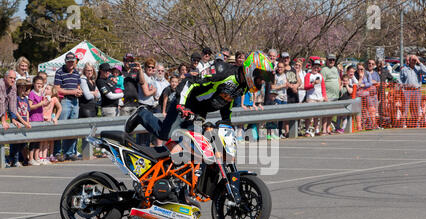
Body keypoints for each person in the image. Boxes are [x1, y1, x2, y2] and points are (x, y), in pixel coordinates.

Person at [124, 51, 274, 151]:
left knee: (194, 147)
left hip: (200, 111)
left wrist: (226, 120)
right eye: (260, 76)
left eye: (264, 78)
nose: (261, 81)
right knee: (165, 136)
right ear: (250, 69)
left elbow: (227, 99)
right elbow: (191, 82)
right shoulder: (222, 70)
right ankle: (142, 114)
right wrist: (181, 105)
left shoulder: (244, 86)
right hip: (185, 101)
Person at [54, 52, 82, 162]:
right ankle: (58, 152)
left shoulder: (76, 72)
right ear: (65, 61)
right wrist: (72, 91)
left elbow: (78, 87)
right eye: (69, 61)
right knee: (61, 127)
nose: (70, 63)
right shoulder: (59, 72)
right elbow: (57, 89)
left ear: (75, 61)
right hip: (65, 101)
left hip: (75, 101)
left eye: (72, 61)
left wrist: (79, 92)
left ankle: (70, 153)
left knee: (73, 127)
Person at [8, 79, 32, 167]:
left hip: (25, 122)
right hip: (18, 122)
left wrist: (28, 121)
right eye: (21, 88)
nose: (22, 90)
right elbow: (16, 112)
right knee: (16, 144)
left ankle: (24, 159)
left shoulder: (25, 99)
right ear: (17, 88)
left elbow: (28, 111)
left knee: (24, 144)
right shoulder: (15, 98)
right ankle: (15, 160)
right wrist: (23, 122)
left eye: (24, 88)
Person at [399, 54, 426, 128]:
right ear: (408, 61)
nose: (413, 61)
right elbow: (400, 81)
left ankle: (415, 123)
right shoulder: (404, 69)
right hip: (407, 91)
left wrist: (418, 61)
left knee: (416, 108)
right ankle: (404, 124)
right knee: (405, 108)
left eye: (414, 60)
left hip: (416, 91)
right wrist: (404, 86)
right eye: (412, 59)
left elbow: (425, 71)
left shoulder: (418, 69)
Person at [28, 75, 50, 165]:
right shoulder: (32, 93)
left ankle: (36, 157)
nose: (39, 85)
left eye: (41, 84)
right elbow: (30, 106)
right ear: (34, 84)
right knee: (33, 140)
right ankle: (31, 158)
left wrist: (45, 102)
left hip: (40, 117)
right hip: (33, 118)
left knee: (38, 139)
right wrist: (40, 103)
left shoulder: (41, 93)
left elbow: (42, 105)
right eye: (37, 83)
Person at [304, 60, 328, 136]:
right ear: (312, 66)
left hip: (319, 97)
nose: (316, 68)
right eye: (315, 67)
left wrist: (324, 96)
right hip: (311, 97)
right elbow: (306, 86)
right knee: (309, 115)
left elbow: (323, 87)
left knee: (317, 115)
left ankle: (316, 129)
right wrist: (313, 84)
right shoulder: (308, 75)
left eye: (317, 67)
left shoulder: (320, 75)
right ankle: (307, 130)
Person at [41, 84, 62, 163]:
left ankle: (50, 155)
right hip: (42, 120)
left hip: (49, 120)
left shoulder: (54, 99)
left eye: (47, 89)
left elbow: (60, 108)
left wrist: (56, 117)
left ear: (52, 91)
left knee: (51, 139)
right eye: (45, 88)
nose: (45, 90)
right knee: (43, 140)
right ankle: (43, 156)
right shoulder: (42, 98)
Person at [321, 53, 341, 134]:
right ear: (327, 60)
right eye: (330, 60)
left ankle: (328, 128)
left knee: (331, 113)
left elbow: (338, 79)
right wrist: (324, 95)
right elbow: (322, 83)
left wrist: (339, 87)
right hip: (327, 95)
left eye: (333, 60)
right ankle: (324, 129)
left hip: (335, 95)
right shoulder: (324, 70)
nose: (332, 61)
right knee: (326, 113)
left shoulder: (335, 69)